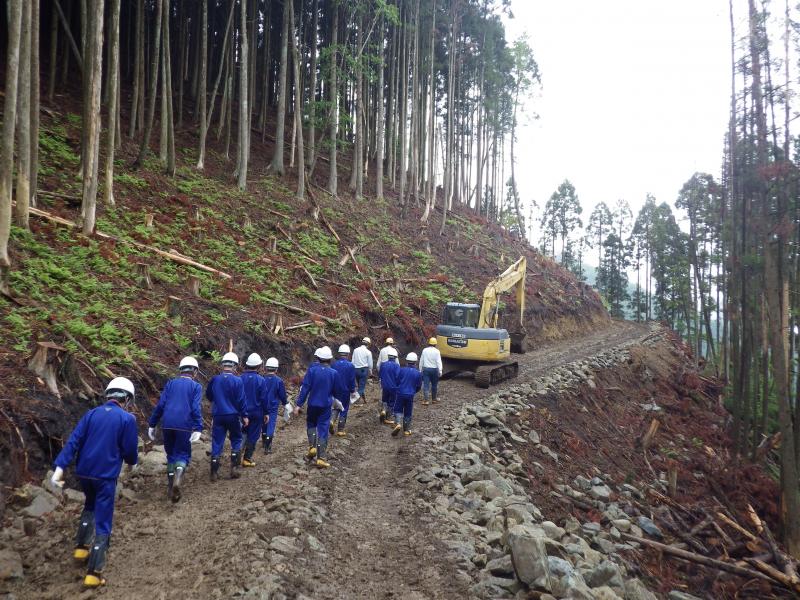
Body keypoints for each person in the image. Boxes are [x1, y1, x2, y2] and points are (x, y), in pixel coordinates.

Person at [51, 377, 139, 588]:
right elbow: (129, 451)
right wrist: (132, 462)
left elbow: (74, 441)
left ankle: (81, 548)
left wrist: (60, 467)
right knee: (104, 520)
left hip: (85, 473)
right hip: (105, 475)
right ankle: (94, 572)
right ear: (126, 398)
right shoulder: (127, 419)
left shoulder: (91, 414)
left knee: (89, 505)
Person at [147, 357, 203, 502]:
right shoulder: (196, 387)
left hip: (167, 423)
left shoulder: (171, 384)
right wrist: (198, 427)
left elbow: (161, 405)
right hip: (184, 424)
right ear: (195, 371)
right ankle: (178, 477)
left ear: (181, 370)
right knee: (183, 454)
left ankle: (171, 486)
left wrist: (152, 423)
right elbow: (195, 408)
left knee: (171, 455)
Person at [295, 346, 345, 468]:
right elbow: (337, 391)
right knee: (323, 429)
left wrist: (298, 405)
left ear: (319, 358)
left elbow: (305, 388)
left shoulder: (312, 371)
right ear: (329, 359)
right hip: (325, 405)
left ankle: (312, 447)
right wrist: (337, 400)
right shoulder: (334, 373)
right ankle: (321, 458)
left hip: (312, 404)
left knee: (311, 424)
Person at [206, 352, 249, 480]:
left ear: (223, 364)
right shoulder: (237, 380)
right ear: (234, 365)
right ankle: (234, 468)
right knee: (236, 439)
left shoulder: (215, 379)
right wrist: (245, 415)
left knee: (217, 441)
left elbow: (209, 395)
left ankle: (214, 472)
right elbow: (241, 400)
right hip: (233, 415)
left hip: (218, 415)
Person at [240, 353, 268, 468]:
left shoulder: (240, 378)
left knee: (243, 432)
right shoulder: (261, 380)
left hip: (243, 412)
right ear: (259, 365)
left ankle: (236, 453)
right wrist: (267, 413)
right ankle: (247, 459)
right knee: (254, 435)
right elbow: (264, 398)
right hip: (257, 413)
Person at [262, 356, 289, 454]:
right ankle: (267, 447)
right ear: (276, 369)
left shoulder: (262, 379)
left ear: (266, 367)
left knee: (264, 423)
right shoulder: (278, 380)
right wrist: (285, 403)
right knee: (271, 425)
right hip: (273, 407)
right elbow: (282, 395)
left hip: (262, 406)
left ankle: (264, 441)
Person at [392, 353, 423, 437]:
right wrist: (413, 391)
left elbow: (397, 381)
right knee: (408, 411)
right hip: (410, 395)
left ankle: (398, 423)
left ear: (407, 361)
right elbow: (419, 386)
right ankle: (406, 430)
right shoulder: (418, 373)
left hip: (400, 393)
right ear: (415, 362)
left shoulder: (401, 370)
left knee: (398, 409)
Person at [330, 344, 357, 436]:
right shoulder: (351, 366)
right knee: (344, 408)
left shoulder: (334, 364)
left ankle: (332, 421)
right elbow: (351, 380)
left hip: (335, 390)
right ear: (348, 354)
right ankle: (340, 430)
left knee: (336, 406)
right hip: (345, 390)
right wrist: (353, 391)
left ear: (339, 353)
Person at [379, 347, 400, 425]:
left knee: (384, 399)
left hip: (384, 386)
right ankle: (388, 418)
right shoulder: (396, 366)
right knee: (391, 402)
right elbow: (398, 377)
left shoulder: (383, 364)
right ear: (395, 357)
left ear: (388, 356)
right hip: (393, 387)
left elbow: (380, 375)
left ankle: (383, 410)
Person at [419, 337, 443, 405]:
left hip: (426, 369)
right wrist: (440, 370)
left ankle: (426, 400)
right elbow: (439, 361)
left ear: (429, 343)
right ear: (435, 344)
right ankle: (434, 399)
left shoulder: (425, 350)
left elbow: (421, 360)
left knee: (426, 385)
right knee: (434, 385)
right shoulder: (437, 351)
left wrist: (420, 369)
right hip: (434, 370)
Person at [351, 337, 374, 402]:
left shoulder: (355, 350)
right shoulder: (368, 352)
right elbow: (370, 365)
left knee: (360, 386)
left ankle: (364, 400)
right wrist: (370, 372)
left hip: (356, 370)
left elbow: (352, 362)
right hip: (363, 370)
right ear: (368, 344)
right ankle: (353, 400)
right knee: (361, 387)